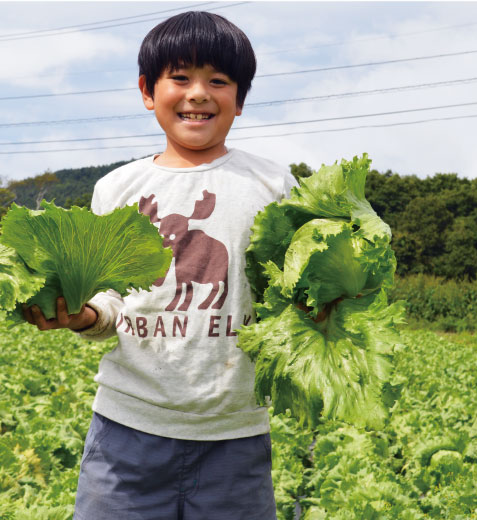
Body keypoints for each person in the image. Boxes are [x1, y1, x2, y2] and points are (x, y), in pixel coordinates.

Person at [22, 11, 298, 519]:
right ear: (148, 91)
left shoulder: (273, 186)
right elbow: (109, 297)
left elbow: (295, 294)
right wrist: (83, 315)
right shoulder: (119, 189)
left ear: (240, 98)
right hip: (127, 430)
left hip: (234, 433)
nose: (198, 93)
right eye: (180, 78)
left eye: (218, 80)